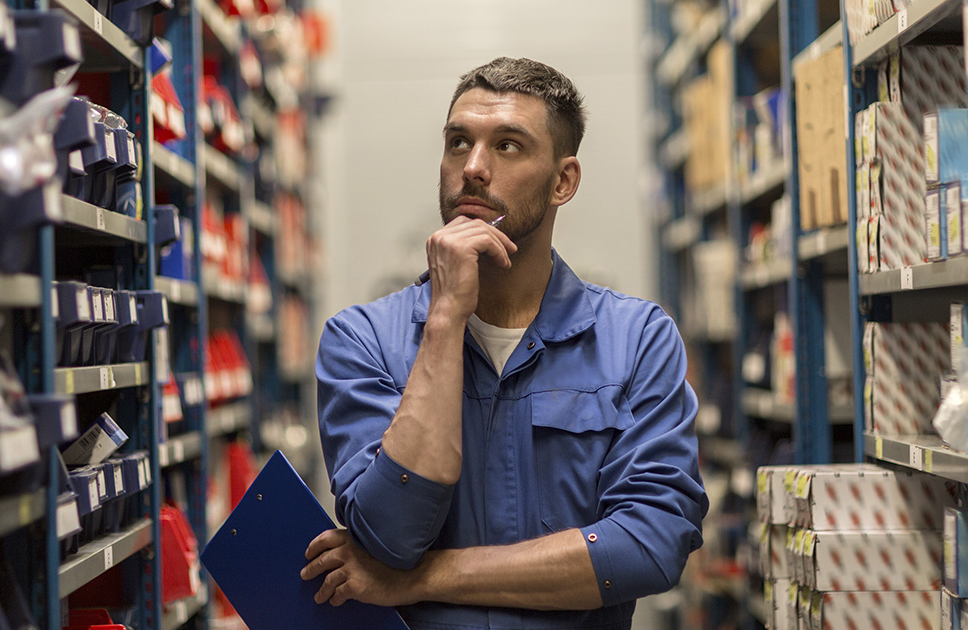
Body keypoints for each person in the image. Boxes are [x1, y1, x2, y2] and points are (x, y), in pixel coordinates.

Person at [303, 57, 708, 630]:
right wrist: (444, 320)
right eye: (457, 142)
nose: (472, 167)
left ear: (563, 181)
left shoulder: (636, 340)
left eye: (508, 146)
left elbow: (649, 547)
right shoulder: (362, 340)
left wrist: (420, 580)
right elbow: (389, 534)